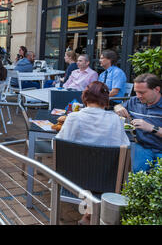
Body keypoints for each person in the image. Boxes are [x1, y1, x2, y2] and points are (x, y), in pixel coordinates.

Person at [56, 81, 130, 226]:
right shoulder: (115, 120)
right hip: (105, 181)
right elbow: (124, 148)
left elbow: (58, 146)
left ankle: (89, 215)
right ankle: (93, 215)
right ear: (105, 99)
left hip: (73, 180)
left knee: (84, 166)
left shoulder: (73, 117)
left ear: (85, 97)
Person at [114, 74, 162, 173]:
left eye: (142, 92)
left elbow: (150, 127)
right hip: (142, 146)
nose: (138, 96)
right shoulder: (134, 101)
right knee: (138, 177)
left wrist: (151, 128)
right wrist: (118, 107)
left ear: (157, 89)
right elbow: (119, 106)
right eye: (136, 92)